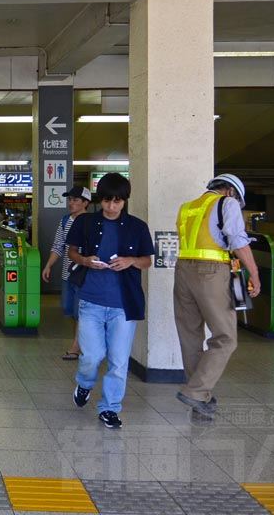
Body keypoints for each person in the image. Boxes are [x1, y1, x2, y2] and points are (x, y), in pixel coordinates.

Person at [66, 173, 154, 429]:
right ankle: (84, 384)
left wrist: (130, 261)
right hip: (91, 301)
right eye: (107, 201)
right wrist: (85, 260)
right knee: (92, 356)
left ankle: (110, 408)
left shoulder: (137, 227)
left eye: (117, 201)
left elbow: (147, 260)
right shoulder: (86, 223)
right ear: (100, 200)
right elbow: (71, 251)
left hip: (123, 305)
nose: (112, 206)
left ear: (124, 201)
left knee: (118, 360)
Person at [173, 173, 261, 418]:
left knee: (190, 336)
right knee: (225, 337)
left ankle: (201, 400)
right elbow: (237, 241)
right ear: (231, 191)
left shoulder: (187, 208)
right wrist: (254, 273)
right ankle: (196, 392)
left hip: (182, 271)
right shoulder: (227, 203)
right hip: (211, 273)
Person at [41, 185, 92, 360]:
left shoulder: (92, 222)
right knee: (68, 308)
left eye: (75, 200)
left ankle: (76, 347)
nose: (71, 203)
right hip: (67, 274)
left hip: (85, 274)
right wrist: (48, 265)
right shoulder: (65, 221)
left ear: (86, 202)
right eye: (70, 199)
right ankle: (82, 343)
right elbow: (58, 246)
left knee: (80, 311)